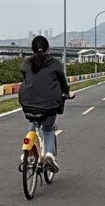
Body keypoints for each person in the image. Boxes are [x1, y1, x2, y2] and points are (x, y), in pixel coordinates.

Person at [18, 35, 72, 170]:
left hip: (27, 103)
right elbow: (63, 83)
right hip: (49, 105)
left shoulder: (26, 63)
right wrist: (68, 93)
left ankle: (25, 153)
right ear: (48, 48)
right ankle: (49, 154)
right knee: (48, 129)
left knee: (34, 120)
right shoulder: (54, 63)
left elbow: (27, 80)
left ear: (32, 49)